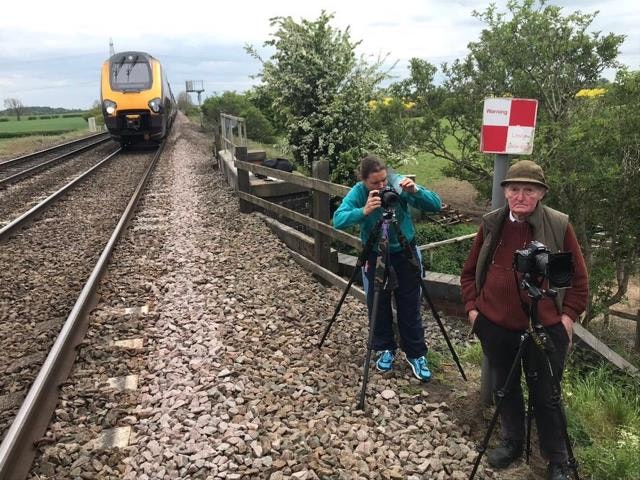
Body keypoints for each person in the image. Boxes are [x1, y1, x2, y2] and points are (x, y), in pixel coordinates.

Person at [460, 160, 588, 480]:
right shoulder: (492, 224)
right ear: (505, 192)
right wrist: (474, 312)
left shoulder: (558, 225)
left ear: (541, 194)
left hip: (545, 328)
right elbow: (469, 272)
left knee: (547, 395)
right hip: (496, 325)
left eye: (528, 190)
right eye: (514, 189)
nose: (520, 196)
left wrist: (568, 318)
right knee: (506, 388)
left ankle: (557, 458)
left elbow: (579, 281)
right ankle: (513, 441)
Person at [333, 154, 442, 382]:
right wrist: (363, 211)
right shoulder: (358, 192)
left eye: (384, 180)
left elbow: (436, 205)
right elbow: (338, 219)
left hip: (405, 252)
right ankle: (384, 348)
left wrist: (415, 191)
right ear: (363, 181)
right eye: (375, 183)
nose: (382, 186)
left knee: (410, 304)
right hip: (375, 255)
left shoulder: (397, 183)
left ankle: (416, 354)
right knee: (377, 303)